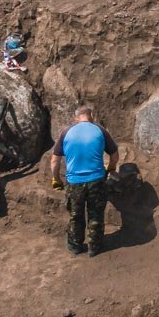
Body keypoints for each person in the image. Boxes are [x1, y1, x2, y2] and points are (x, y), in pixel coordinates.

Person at [50, 105, 118, 257]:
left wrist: (56, 179)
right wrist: (110, 169)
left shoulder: (66, 132)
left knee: (76, 215)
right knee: (96, 214)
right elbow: (114, 155)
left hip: (74, 182)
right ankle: (95, 247)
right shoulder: (100, 130)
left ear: (76, 118)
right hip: (97, 180)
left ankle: (75, 245)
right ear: (91, 115)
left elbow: (55, 161)